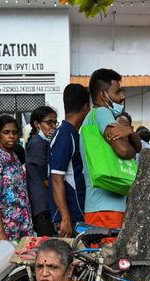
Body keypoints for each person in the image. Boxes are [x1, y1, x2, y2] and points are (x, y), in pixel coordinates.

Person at [80, 68, 142, 230]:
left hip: (99, 208)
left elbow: (137, 146)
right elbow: (123, 150)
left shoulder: (92, 117)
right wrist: (129, 138)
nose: (122, 97)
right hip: (107, 210)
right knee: (110, 255)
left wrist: (129, 132)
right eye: (118, 91)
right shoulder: (102, 113)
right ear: (103, 95)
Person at [0, 115, 34, 242]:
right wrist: (1, 233)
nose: (11, 136)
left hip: (23, 221)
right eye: (6, 132)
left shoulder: (14, 156)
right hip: (6, 226)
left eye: (15, 132)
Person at [49, 83, 89, 238]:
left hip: (74, 214)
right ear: (86, 107)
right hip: (69, 217)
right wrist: (65, 217)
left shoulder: (71, 133)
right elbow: (57, 178)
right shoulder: (65, 135)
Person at [26, 105, 59, 235]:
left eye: (55, 122)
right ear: (37, 124)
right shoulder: (37, 143)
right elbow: (46, 180)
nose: (53, 126)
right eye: (49, 122)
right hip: (42, 206)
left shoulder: (44, 142)